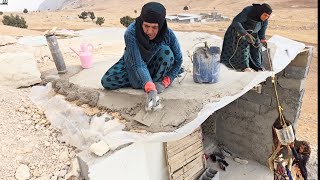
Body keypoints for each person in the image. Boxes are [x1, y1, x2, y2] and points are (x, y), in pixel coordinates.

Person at [101, 2, 183, 109]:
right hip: (134, 61)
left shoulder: (168, 34)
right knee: (107, 81)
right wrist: (150, 88)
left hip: (156, 63)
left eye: (154, 27)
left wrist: (165, 82)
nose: (149, 31)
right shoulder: (131, 33)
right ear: (141, 22)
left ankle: (150, 81)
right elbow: (138, 64)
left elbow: (179, 60)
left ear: (161, 25)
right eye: (146, 26)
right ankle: (147, 81)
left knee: (166, 52)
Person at [220, 3, 272, 72]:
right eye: (265, 15)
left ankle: (256, 66)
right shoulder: (248, 11)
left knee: (258, 45)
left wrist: (263, 41)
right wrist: (245, 34)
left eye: (268, 16)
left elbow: (261, 33)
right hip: (237, 31)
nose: (266, 18)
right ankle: (244, 67)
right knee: (244, 42)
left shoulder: (265, 20)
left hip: (252, 34)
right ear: (260, 12)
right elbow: (236, 22)